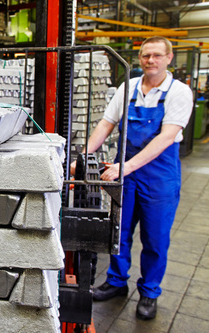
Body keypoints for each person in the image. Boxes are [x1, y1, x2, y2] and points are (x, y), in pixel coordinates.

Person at [72, 36, 193, 320]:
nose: (151, 61)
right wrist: (81, 157)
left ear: (169, 58)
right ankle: (116, 281)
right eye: (146, 55)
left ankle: (149, 292)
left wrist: (125, 167)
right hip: (126, 172)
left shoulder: (179, 92)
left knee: (155, 238)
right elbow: (106, 124)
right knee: (119, 230)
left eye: (157, 56)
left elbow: (165, 138)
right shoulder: (129, 88)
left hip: (158, 176)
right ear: (139, 58)